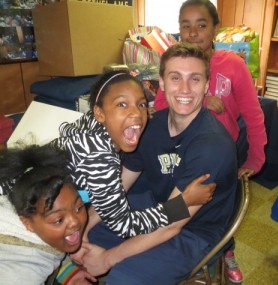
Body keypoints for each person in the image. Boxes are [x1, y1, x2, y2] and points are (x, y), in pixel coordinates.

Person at [78, 42, 238, 285]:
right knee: (80, 232)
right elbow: (119, 185)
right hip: (159, 207)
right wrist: (84, 228)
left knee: (125, 277)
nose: (184, 88)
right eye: (175, 77)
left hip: (194, 230)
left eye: (194, 79)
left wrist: (108, 259)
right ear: (161, 83)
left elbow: (172, 225)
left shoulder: (212, 146)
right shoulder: (149, 125)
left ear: (207, 85)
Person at [153, 0, 267, 281]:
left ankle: (225, 250)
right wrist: (201, 101)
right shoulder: (173, 60)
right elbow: (159, 105)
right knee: (182, 204)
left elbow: (254, 115)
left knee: (220, 210)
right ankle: (171, 240)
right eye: (185, 26)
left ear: (215, 28)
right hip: (181, 152)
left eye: (201, 25)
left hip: (221, 156)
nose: (192, 32)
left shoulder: (233, 65)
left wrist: (256, 157)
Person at [50, 70, 215, 242]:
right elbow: (124, 225)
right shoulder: (99, 158)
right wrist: (183, 203)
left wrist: (132, 112)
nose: (136, 113)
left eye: (141, 104)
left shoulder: (92, 122)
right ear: (99, 113)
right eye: (122, 104)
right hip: (39, 222)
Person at [0, 144, 96, 285]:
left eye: (79, 207)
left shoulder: (21, 208)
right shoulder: (23, 273)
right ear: (27, 223)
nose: (75, 221)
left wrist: (67, 271)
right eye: (58, 220)